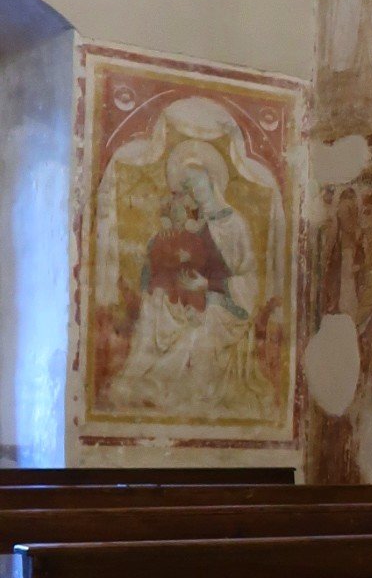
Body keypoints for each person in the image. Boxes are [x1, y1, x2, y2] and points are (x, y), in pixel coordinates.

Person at [108, 141, 271, 420]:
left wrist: (207, 287)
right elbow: (179, 258)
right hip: (191, 296)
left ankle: (179, 391)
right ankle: (143, 378)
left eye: (196, 182)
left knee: (200, 330)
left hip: (224, 306)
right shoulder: (194, 224)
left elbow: (249, 279)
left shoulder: (235, 224)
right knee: (155, 306)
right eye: (188, 186)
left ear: (212, 179)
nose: (193, 190)